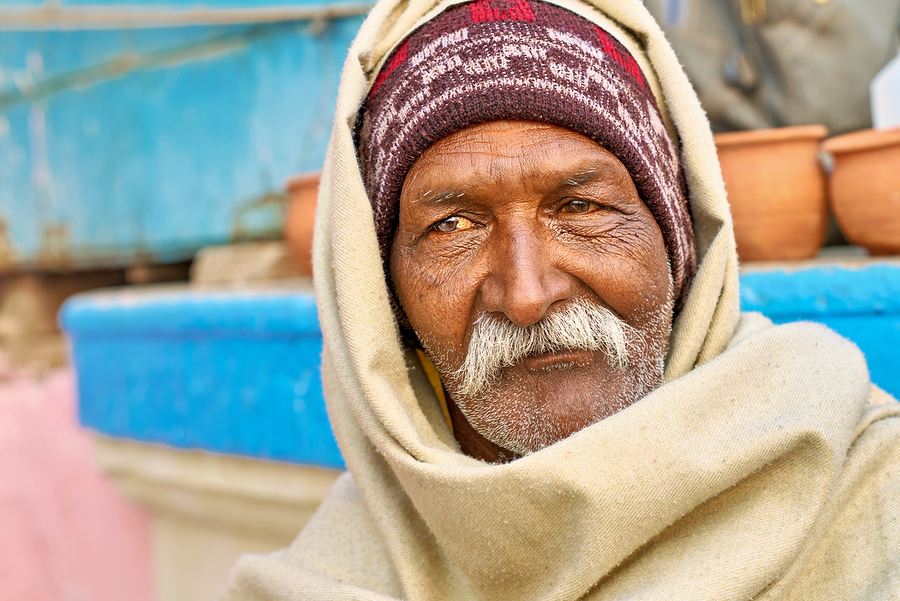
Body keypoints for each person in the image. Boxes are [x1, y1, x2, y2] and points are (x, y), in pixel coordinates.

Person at [221, 0, 900, 598]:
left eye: (581, 205)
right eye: (452, 226)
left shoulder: (861, 492)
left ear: (677, 242)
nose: (527, 293)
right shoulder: (320, 582)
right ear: (381, 294)